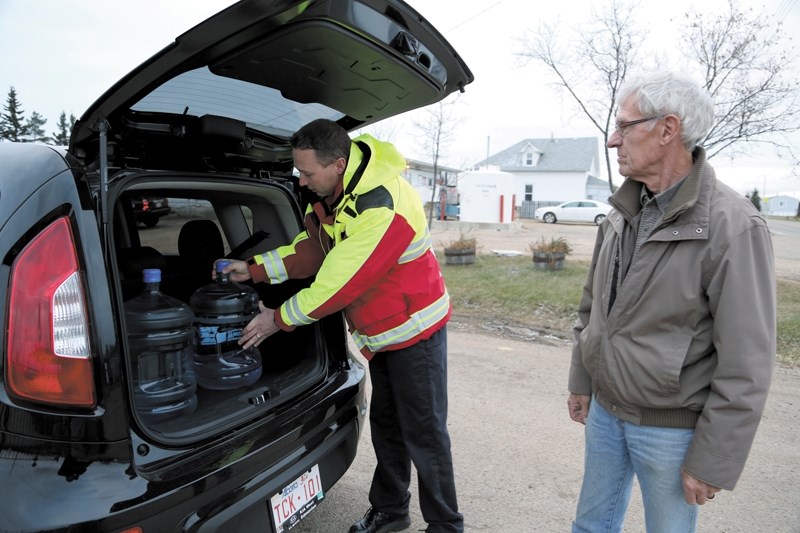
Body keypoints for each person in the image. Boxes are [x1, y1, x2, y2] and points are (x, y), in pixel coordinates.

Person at [219, 119, 463, 533]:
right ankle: (391, 512)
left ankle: (446, 525)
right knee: (388, 427)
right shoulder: (337, 193)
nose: (301, 181)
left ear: (337, 163)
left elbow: (337, 284)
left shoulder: (382, 206)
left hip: (415, 333)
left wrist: (277, 320)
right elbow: (313, 249)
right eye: (298, 171)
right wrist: (254, 270)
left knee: (423, 433)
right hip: (385, 337)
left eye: (308, 173)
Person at [567, 71, 776, 532]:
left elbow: (747, 360)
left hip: (670, 431)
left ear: (668, 129)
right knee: (590, 526)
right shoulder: (622, 212)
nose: (612, 140)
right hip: (605, 412)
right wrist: (583, 379)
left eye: (624, 126)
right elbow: (592, 308)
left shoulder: (733, 225)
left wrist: (714, 459)